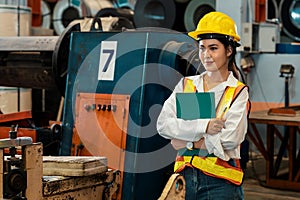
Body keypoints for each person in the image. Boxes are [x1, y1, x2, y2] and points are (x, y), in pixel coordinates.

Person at [157, 11, 249, 200]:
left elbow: (230, 139)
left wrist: (186, 142)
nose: (206, 55)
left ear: (229, 50)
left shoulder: (237, 91)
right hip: (184, 179)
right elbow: (164, 125)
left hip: (220, 184)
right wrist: (204, 127)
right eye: (202, 48)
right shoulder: (187, 85)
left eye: (213, 48)